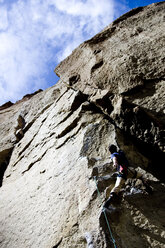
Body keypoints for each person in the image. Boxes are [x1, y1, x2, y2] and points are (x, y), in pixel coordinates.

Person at [103, 144, 151, 209]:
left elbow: (114, 159)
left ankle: (108, 202)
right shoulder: (120, 152)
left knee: (117, 187)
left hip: (122, 173)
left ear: (110, 151)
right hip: (129, 170)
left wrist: (115, 163)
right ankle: (147, 187)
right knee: (141, 176)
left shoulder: (114, 154)